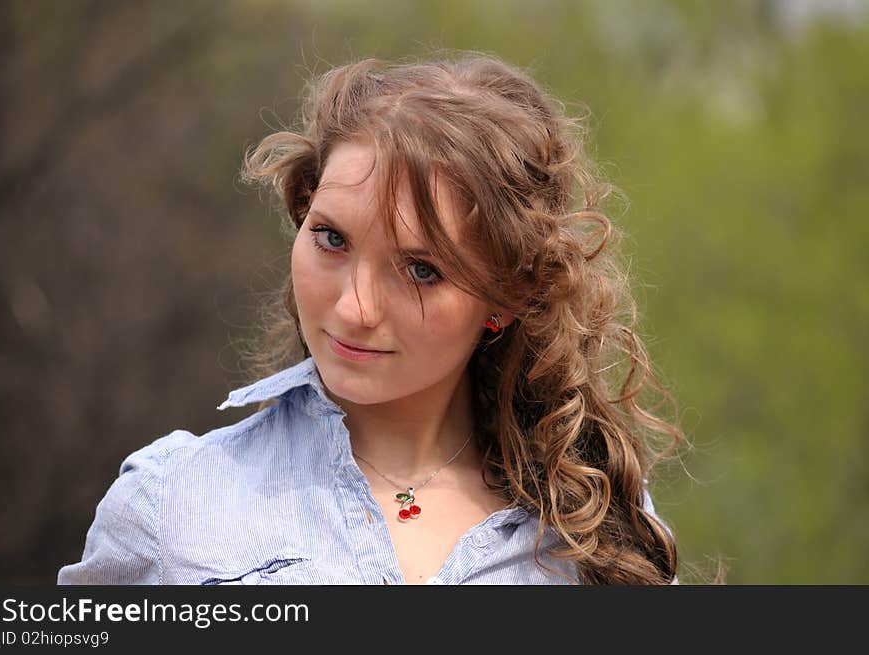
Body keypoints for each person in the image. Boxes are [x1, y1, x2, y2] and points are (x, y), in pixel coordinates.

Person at [58, 53, 682, 585]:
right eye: (331, 238)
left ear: (509, 295)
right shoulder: (171, 510)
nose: (355, 307)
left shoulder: (598, 530)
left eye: (420, 270)